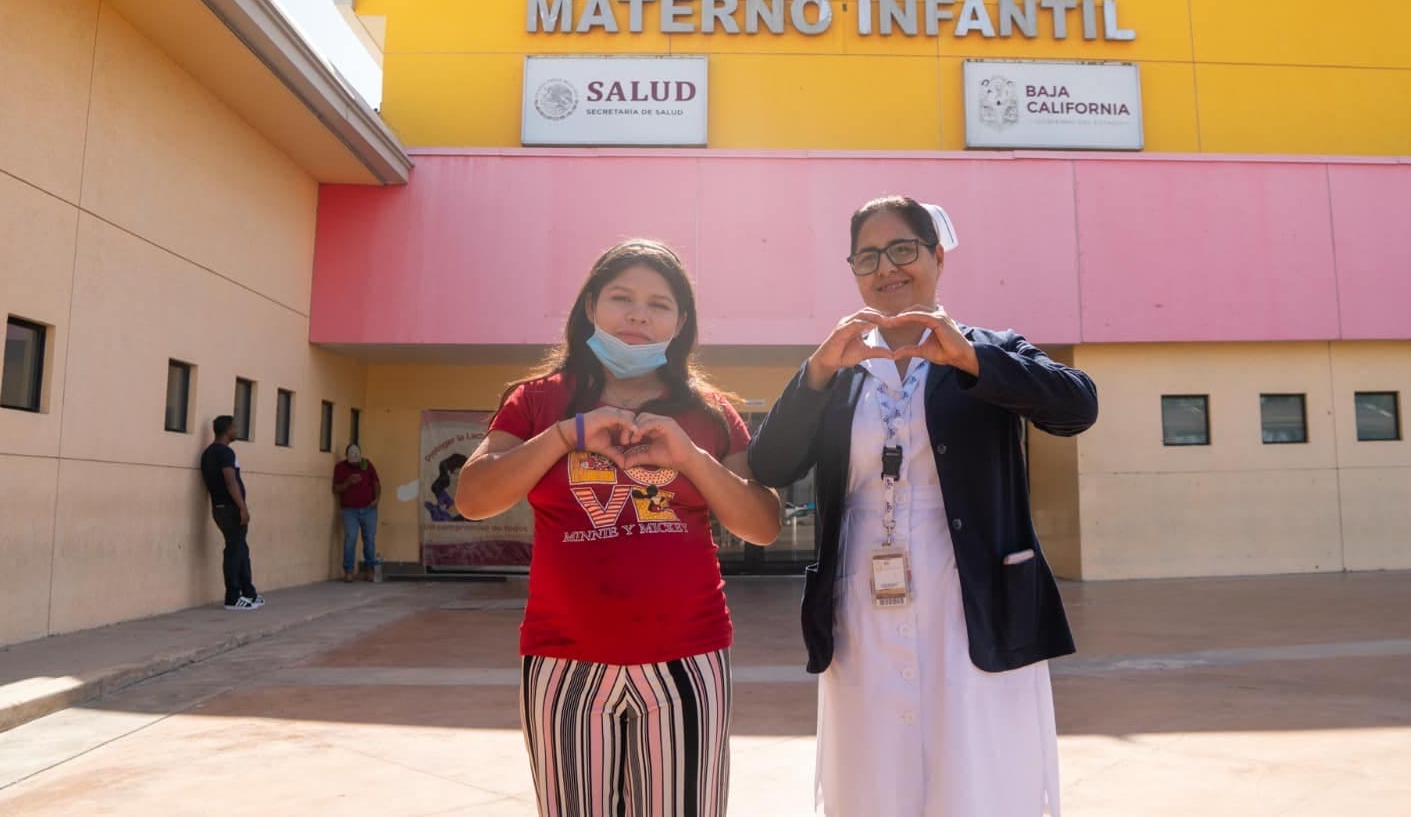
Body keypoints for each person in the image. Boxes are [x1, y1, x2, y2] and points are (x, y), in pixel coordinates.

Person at [748, 196, 1098, 816]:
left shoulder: (989, 349)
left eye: (903, 249)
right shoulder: (839, 367)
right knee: (874, 782)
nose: (887, 268)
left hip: (975, 603)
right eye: (867, 257)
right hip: (862, 606)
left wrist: (971, 361)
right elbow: (771, 464)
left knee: (978, 778)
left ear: (938, 256)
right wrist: (817, 373)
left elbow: (1077, 407)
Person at [455, 239, 781, 817]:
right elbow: (473, 498)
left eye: (659, 304)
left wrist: (688, 457)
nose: (638, 315)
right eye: (621, 297)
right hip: (564, 660)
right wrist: (565, 435)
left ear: (680, 322)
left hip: (688, 658)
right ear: (590, 307)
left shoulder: (710, 413)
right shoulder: (536, 402)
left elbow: (762, 525)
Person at [200, 415, 264, 611]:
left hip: (219, 507)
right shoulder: (225, 452)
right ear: (227, 430)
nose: (237, 431)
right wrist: (242, 507)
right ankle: (233, 597)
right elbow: (230, 481)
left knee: (240, 549)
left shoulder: (208, 453)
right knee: (234, 551)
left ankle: (248, 593)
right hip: (230, 508)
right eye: (235, 427)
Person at [332, 443, 380, 581]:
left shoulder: (366, 464)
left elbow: (376, 483)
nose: (355, 464)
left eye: (357, 461)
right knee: (350, 538)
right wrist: (348, 483)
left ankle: (370, 570)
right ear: (346, 457)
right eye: (352, 462)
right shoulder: (340, 467)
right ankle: (349, 570)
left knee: (369, 539)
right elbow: (335, 489)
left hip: (369, 509)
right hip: (349, 510)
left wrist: (377, 499)